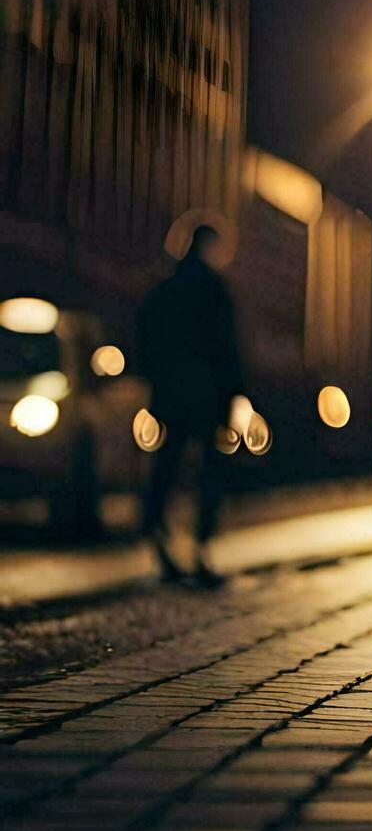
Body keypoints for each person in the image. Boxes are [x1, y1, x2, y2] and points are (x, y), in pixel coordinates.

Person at [135, 225, 244, 587]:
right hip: (208, 397)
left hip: (171, 394)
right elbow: (227, 348)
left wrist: (156, 381)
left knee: (167, 465)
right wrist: (234, 394)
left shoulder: (164, 290)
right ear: (211, 247)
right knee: (209, 473)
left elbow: (144, 339)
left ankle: (156, 535)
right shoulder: (215, 290)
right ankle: (201, 552)